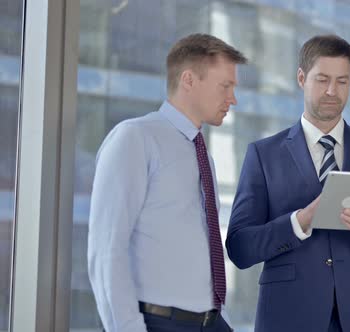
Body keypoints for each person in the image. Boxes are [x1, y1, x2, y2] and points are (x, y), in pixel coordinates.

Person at [225, 34, 350, 332]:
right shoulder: (263, 155)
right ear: (301, 78)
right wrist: (299, 221)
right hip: (289, 319)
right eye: (322, 79)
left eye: (342, 81)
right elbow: (240, 248)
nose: (332, 91)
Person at [87, 33, 246, 332]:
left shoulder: (201, 154)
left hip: (210, 322)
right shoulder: (135, 138)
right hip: (159, 323)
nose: (233, 99)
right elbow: (107, 249)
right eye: (225, 86)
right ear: (188, 80)